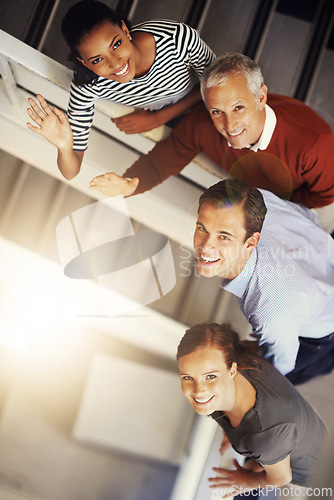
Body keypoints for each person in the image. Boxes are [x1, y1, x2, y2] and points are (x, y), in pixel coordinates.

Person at [91, 53, 334, 209]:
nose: (229, 126)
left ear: (260, 97)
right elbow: (161, 162)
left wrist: (278, 204)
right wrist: (129, 185)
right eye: (217, 111)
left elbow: (324, 195)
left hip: (307, 204)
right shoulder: (201, 124)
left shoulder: (316, 144)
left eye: (238, 107)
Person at [26, 0, 215, 180]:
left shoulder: (177, 39)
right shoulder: (87, 85)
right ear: (84, 63)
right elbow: (71, 172)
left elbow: (219, 83)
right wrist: (64, 146)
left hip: (209, 103)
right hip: (179, 126)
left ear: (125, 30)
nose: (115, 62)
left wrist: (158, 118)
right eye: (97, 60)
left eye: (116, 44)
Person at [193, 178, 334, 384]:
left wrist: (260, 349)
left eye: (223, 236)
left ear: (251, 241)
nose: (205, 247)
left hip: (324, 322)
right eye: (202, 228)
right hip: (326, 255)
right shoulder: (253, 199)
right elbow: (306, 216)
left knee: (284, 381)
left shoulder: (268, 309)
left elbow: (279, 366)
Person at [177, 323, 327, 499]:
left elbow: (280, 478)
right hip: (298, 430)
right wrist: (232, 431)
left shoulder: (263, 433)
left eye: (210, 376)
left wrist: (246, 480)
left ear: (232, 370)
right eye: (188, 377)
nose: (198, 390)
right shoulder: (237, 357)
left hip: (311, 473)